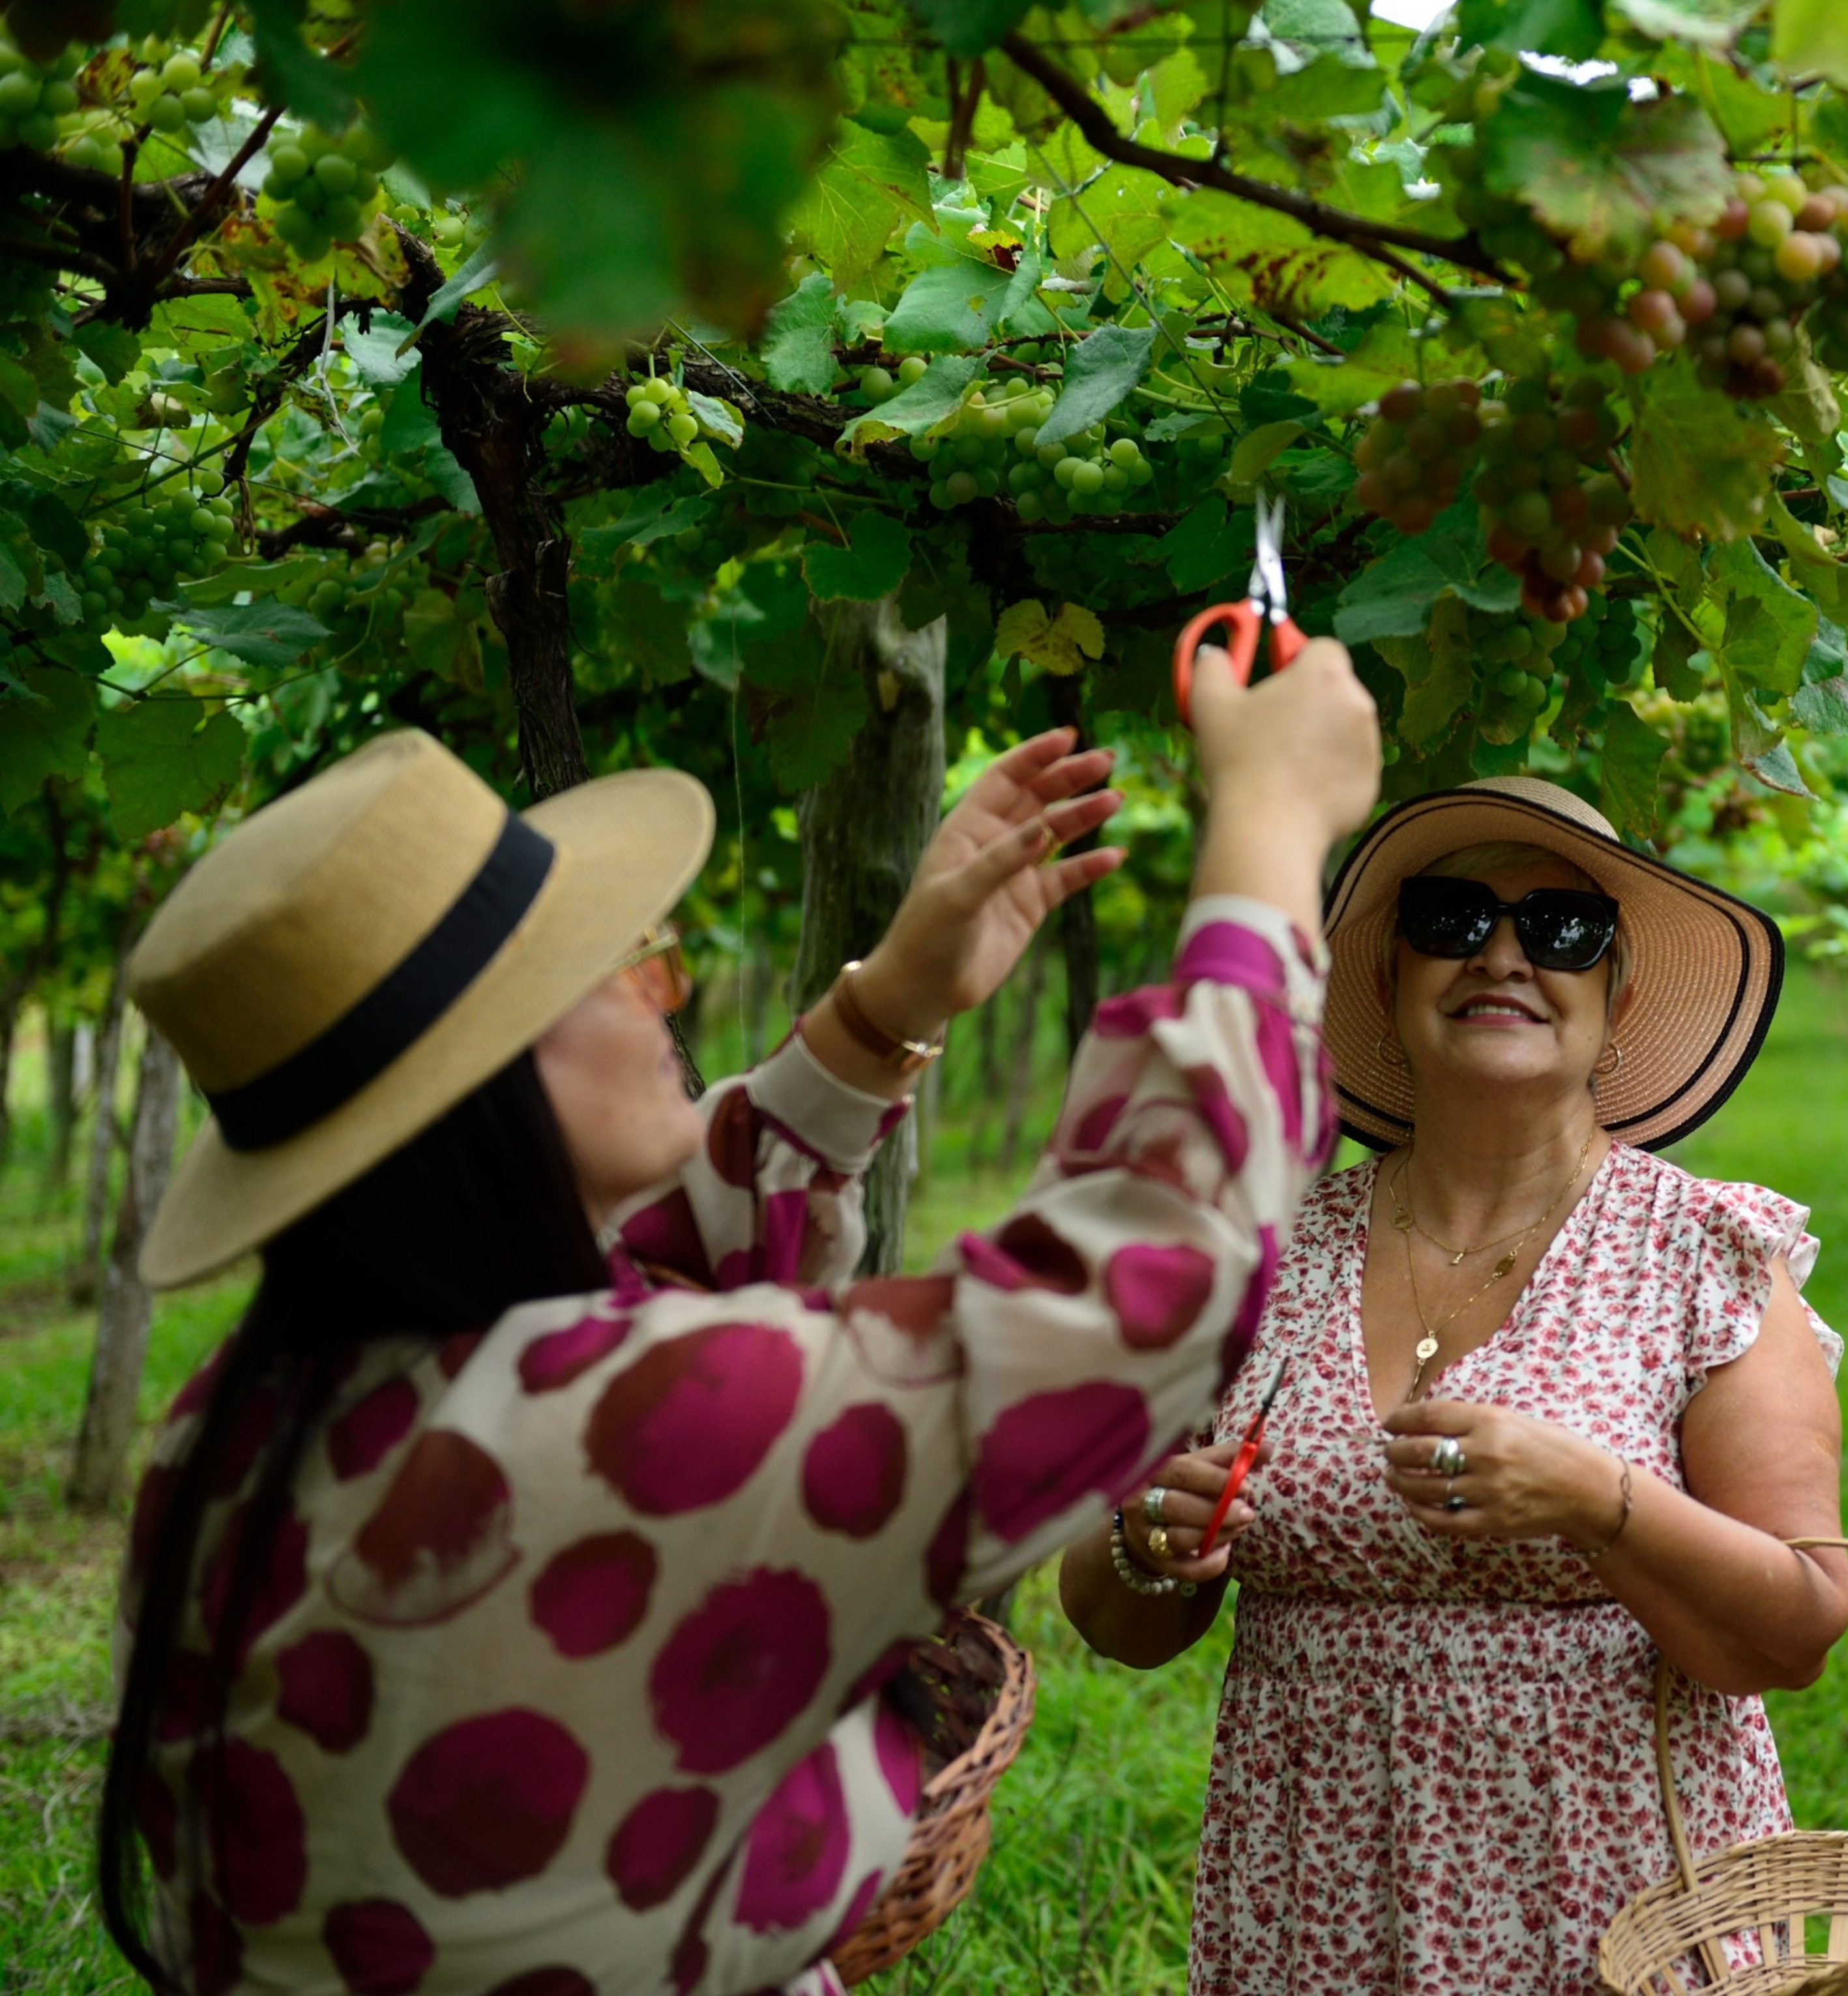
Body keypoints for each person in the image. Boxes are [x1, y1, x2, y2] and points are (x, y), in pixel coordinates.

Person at [95, 640, 1380, 1996]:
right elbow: (1135, 1298)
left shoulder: (240, 1425)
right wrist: (1268, 833)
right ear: (490, 1081)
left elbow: (638, 1257)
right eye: (626, 966)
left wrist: (887, 1007)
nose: (674, 991)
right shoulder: (617, 1437)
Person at [1059, 775, 1848, 1996]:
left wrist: (1601, 1501)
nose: (1501, 955)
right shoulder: (1265, 1262)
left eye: (1561, 929)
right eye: (1451, 918)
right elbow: (1115, 1615)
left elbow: (1797, 1626)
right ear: (1388, 982)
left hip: (1609, 1902)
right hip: (1315, 1903)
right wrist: (1150, 1538)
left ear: (1617, 999)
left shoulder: (1700, 1254)